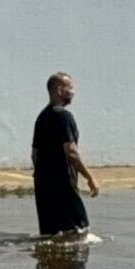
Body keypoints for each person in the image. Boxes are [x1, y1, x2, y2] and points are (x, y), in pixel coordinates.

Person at [30, 72, 100, 239]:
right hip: (62, 183)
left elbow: (34, 154)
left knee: (52, 236)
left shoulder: (42, 117)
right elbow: (72, 153)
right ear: (59, 90)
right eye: (70, 87)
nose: (73, 92)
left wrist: (43, 177)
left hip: (43, 185)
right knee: (80, 231)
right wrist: (90, 177)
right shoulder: (63, 116)